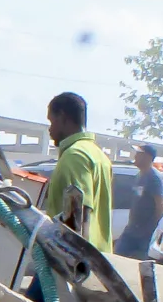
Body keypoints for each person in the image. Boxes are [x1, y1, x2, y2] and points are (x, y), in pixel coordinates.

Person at [40, 91, 113, 253]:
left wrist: (75, 263)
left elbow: (78, 214)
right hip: (98, 256)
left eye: (51, 121)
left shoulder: (74, 155)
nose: (50, 129)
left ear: (63, 117)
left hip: (74, 260)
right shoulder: (96, 153)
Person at [116, 143, 163, 258]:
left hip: (145, 234)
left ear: (147, 157)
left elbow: (160, 206)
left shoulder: (154, 178)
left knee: (143, 264)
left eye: (139, 154)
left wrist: (151, 231)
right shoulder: (140, 175)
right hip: (131, 229)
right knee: (118, 256)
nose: (135, 156)